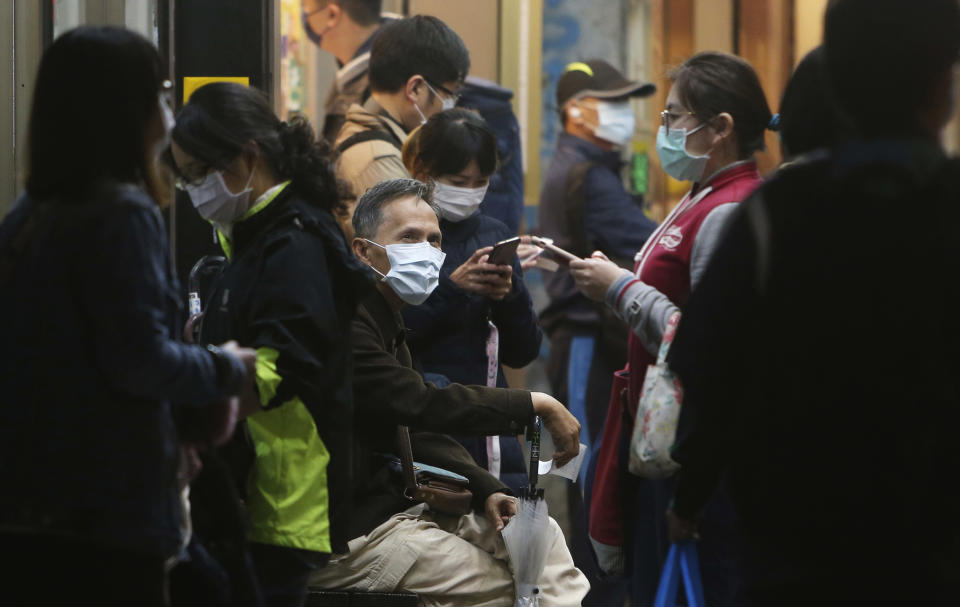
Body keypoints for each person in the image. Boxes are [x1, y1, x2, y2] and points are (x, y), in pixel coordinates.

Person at [665, 1, 960, 605]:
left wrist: (689, 496)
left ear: (837, 85)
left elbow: (706, 368)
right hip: (934, 552)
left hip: (793, 551)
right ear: (943, 87)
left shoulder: (776, 215)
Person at [0, 26, 255, 605]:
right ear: (127, 110)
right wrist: (225, 368)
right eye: (161, 94)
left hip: (28, 506)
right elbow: (139, 360)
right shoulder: (121, 214)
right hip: (108, 512)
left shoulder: (27, 217)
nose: (169, 110)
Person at [309, 178, 589, 606]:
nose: (425, 251)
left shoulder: (386, 317)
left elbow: (415, 430)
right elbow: (421, 402)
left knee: (539, 534)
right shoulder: (348, 322)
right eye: (408, 237)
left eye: (433, 239)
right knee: (505, 587)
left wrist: (487, 488)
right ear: (363, 251)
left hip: (391, 508)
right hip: (353, 534)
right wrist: (534, 403)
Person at [571, 51, 773, 606]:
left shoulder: (731, 207)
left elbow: (705, 338)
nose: (663, 130)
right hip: (659, 431)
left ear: (721, 128)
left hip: (693, 443)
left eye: (674, 117)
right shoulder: (702, 194)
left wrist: (618, 287)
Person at [166, 82, 371, 606]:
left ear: (248, 156)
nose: (194, 190)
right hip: (255, 485)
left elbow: (280, 369)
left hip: (283, 496)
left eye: (198, 174)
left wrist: (193, 387)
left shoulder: (294, 243)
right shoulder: (255, 234)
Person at [401, 108, 541, 491]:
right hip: (421, 425)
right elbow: (388, 331)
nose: (469, 191)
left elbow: (522, 351)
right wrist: (453, 289)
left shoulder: (495, 235)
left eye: (480, 181)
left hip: (488, 429)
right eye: (458, 180)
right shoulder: (397, 233)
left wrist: (509, 297)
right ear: (422, 169)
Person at [538, 59, 658, 464]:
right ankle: (589, 533)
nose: (623, 112)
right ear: (574, 110)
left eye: (625, 101)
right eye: (611, 102)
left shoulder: (586, 167)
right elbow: (649, 243)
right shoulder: (587, 176)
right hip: (584, 339)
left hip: (589, 338)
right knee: (589, 462)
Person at [333, 15, 469, 238]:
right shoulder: (379, 160)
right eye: (449, 94)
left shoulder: (388, 141)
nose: (450, 106)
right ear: (415, 88)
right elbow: (400, 259)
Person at [300, 0, 391, 143]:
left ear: (332, 15)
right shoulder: (358, 71)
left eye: (305, 7)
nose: (304, 16)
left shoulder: (382, 88)